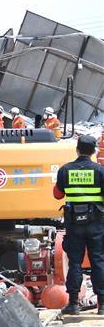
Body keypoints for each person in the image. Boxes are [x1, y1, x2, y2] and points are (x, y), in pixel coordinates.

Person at [53, 135, 104, 315]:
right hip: (96, 224)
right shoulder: (100, 170)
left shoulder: (65, 170)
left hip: (74, 225)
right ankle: (102, 305)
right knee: (98, 260)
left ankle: (73, 304)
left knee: (75, 262)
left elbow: (57, 194)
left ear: (77, 150)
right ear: (93, 151)